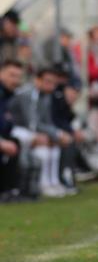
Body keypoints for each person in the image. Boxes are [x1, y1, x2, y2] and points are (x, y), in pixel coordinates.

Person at [8, 67, 72, 198]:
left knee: (54, 146)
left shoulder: (46, 96)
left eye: (54, 83)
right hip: (17, 129)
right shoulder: (27, 94)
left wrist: (56, 135)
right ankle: (42, 184)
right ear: (37, 80)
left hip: (33, 129)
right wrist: (57, 134)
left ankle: (53, 182)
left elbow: (47, 121)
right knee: (43, 146)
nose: (51, 86)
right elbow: (31, 122)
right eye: (48, 82)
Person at [0, 60, 25, 202]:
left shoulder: (9, 96)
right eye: (12, 75)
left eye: (18, 77)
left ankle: (10, 190)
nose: (15, 80)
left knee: (15, 142)